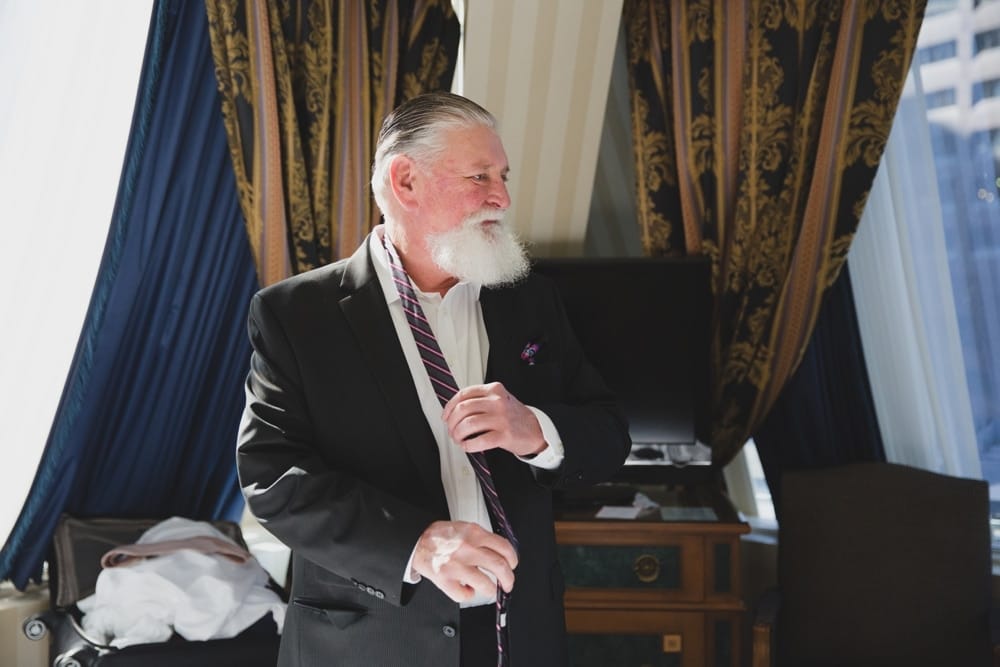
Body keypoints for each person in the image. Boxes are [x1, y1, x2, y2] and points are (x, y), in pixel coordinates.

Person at [236, 91, 631, 667]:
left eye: (502, 175)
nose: (503, 196)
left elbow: (610, 436)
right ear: (405, 182)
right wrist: (418, 543)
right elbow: (273, 477)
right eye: (479, 176)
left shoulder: (531, 300)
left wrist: (537, 431)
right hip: (369, 639)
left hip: (519, 631)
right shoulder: (296, 315)